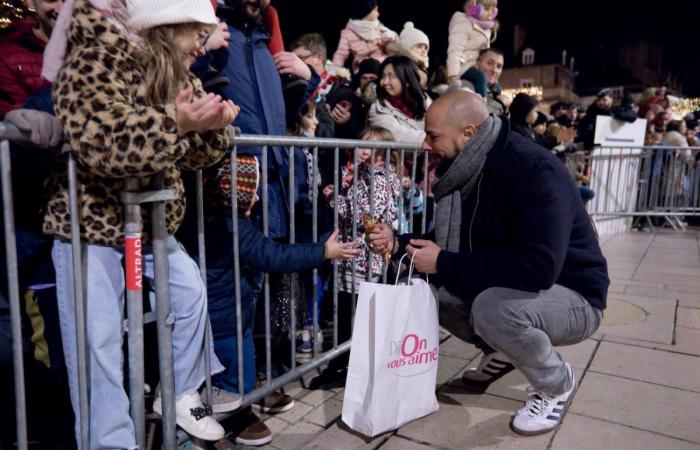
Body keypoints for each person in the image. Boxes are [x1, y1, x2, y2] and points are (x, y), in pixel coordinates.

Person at [43, 0, 241, 446]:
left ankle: (178, 394)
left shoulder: (175, 72)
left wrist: (212, 126)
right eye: (194, 31)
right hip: (90, 227)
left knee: (190, 294)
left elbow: (196, 152)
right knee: (99, 346)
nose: (202, 44)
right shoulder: (94, 55)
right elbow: (98, 139)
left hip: (148, 226)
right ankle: (112, 442)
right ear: (165, 27)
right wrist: (176, 122)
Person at [369, 91, 609, 436]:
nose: (424, 145)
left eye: (433, 135)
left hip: (576, 296)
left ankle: (556, 383)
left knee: (492, 309)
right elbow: (444, 242)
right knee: (432, 293)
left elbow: (538, 267)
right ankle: (503, 352)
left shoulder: (534, 170)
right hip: (529, 286)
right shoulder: (469, 170)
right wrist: (398, 241)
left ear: (468, 133)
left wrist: (444, 263)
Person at [311, 126, 400, 389]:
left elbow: (366, 213)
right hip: (352, 252)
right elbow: (350, 206)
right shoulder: (362, 175)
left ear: (382, 154)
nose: (361, 149)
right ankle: (343, 362)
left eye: (369, 146)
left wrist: (338, 200)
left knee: (353, 311)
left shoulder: (379, 179)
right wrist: (335, 198)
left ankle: (347, 365)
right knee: (346, 309)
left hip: (364, 256)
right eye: (360, 143)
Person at [0, 0, 62, 118]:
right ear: (31, 3)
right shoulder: (6, 57)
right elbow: (15, 125)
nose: (61, 9)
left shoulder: (97, 49)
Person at [368, 55, 431, 143]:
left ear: (407, 81)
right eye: (383, 76)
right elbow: (399, 137)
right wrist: (435, 139)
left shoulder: (425, 101)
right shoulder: (378, 109)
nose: (385, 82)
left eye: (391, 77)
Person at [446, 0, 498, 97]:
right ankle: (482, 104)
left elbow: (486, 54)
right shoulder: (463, 23)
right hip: (464, 65)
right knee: (480, 77)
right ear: (474, 9)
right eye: (487, 9)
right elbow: (455, 50)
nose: (491, 13)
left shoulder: (486, 29)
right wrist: (453, 75)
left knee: (497, 88)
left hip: (477, 65)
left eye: (493, 10)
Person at [332, 0, 398, 74]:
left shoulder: (378, 26)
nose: (378, 14)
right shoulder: (347, 33)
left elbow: (389, 42)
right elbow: (341, 54)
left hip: (383, 65)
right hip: (364, 69)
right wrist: (335, 71)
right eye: (376, 10)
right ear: (367, 11)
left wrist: (390, 37)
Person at [459, 48, 508, 115]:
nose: (494, 70)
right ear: (477, 64)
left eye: (499, 66)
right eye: (490, 63)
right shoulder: (465, 87)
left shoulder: (496, 93)